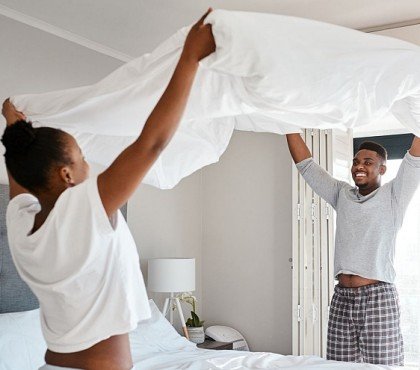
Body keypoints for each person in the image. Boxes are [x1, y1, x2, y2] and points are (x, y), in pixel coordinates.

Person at [1, 9, 215, 370]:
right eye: (82, 156)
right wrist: (190, 58)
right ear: (67, 175)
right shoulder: (84, 210)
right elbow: (151, 143)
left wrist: (14, 127)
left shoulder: (22, 224)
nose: (89, 163)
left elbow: (21, 166)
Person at [286, 133, 420, 365]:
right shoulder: (342, 194)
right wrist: (286, 127)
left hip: (378, 297)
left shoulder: (394, 195)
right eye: (356, 162)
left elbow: (414, 158)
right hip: (342, 298)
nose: (359, 167)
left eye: (368, 163)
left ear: (382, 169)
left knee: (384, 366)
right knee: (339, 366)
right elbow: (306, 166)